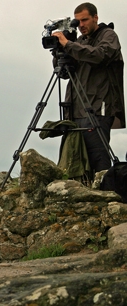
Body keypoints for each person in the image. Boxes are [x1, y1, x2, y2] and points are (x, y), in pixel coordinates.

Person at [52, 2, 125, 178]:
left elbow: (99, 55)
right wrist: (58, 52)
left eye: (84, 20)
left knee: (98, 156)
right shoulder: (79, 42)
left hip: (99, 106)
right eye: (78, 22)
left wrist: (68, 45)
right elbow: (63, 73)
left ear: (95, 17)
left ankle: (106, 195)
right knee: (77, 158)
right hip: (76, 109)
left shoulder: (108, 35)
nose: (81, 25)